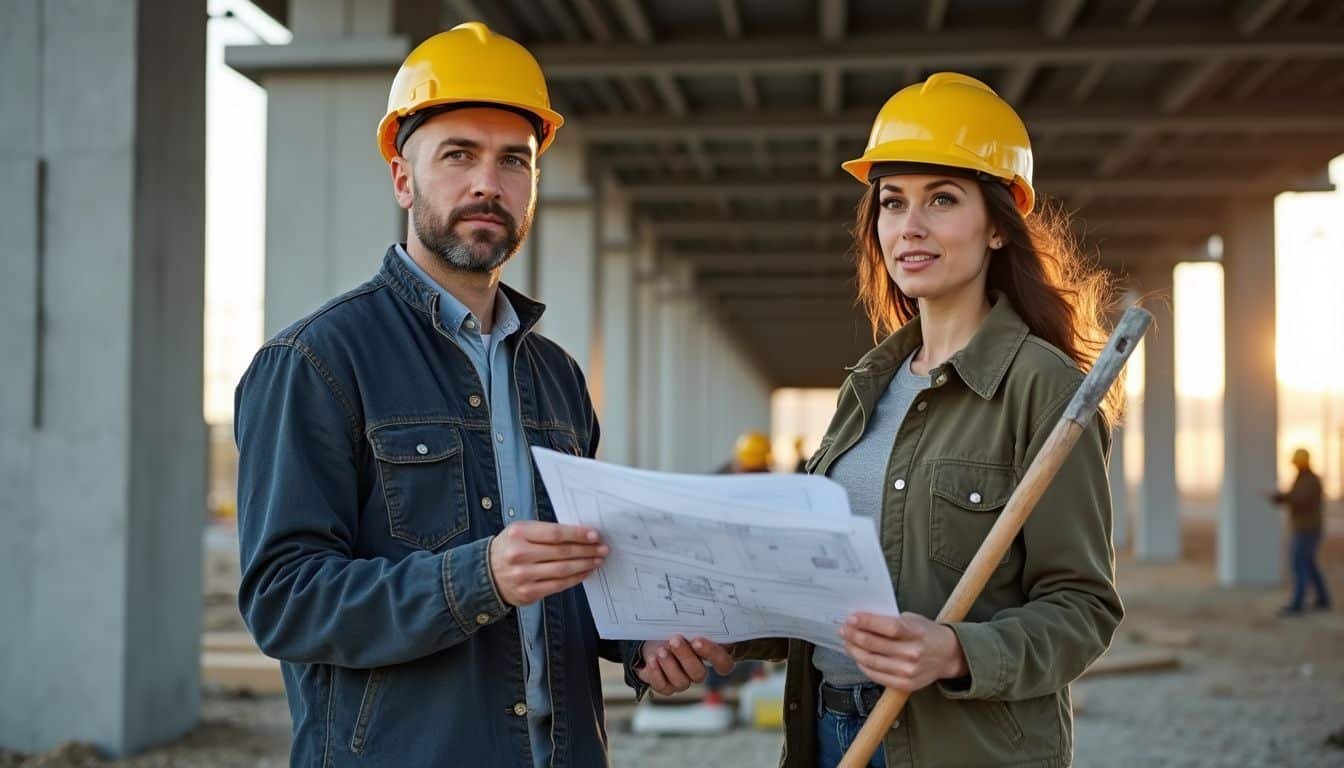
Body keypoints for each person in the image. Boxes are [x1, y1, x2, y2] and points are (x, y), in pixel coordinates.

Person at [233, 23, 728, 767]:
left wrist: (644, 642)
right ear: (403, 177)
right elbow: (285, 599)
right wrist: (477, 577)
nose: (486, 184)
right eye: (457, 155)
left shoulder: (557, 377)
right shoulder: (316, 360)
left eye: (513, 162)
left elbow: (578, 581)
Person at [730, 73, 1124, 767]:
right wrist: (716, 633)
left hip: (960, 749)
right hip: (829, 735)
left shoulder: (1043, 387)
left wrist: (956, 651)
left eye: (941, 200)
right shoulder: (866, 390)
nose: (908, 226)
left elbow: (1082, 608)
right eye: (892, 202)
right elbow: (825, 599)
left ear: (999, 225)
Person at [1269, 448, 1331, 615]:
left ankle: (1298, 603)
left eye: (1296, 462)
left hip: (1308, 528)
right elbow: (1296, 497)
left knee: (1299, 563)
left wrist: (1282, 498)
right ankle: (1323, 598)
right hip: (1305, 527)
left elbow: (1301, 499)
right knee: (1308, 563)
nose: (1295, 465)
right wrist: (1282, 497)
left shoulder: (1310, 480)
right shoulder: (1303, 479)